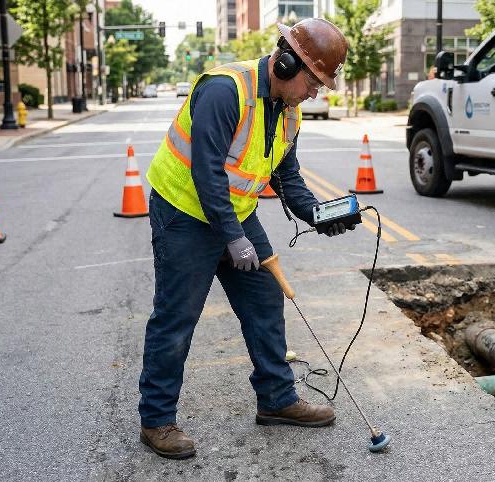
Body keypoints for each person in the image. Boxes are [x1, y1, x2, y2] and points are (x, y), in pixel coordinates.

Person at [138, 19, 351, 460]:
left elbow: (287, 177)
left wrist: (317, 215)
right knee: (176, 318)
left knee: (265, 301)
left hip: (234, 213)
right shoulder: (224, 89)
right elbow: (206, 171)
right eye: (314, 82)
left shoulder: (289, 114)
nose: (316, 93)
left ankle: (277, 400)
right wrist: (233, 239)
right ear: (287, 62)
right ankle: (157, 420)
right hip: (183, 212)